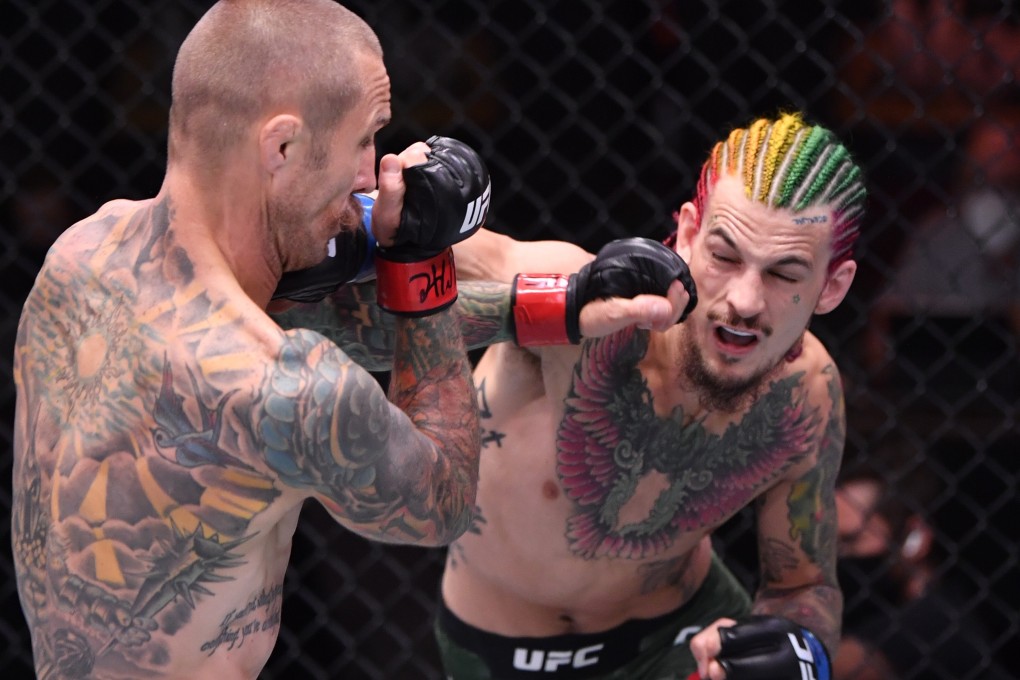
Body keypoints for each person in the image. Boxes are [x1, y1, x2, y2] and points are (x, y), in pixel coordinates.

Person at [274, 111, 864, 679]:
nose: (745, 299)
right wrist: (390, 206)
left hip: (681, 632)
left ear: (832, 286)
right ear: (687, 233)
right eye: (724, 255)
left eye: (785, 274)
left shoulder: (805, 394)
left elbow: (802, 585)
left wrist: (799, 644)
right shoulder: (585, 304)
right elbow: (368, 283)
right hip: (501, 649)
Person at [833, 437, 1011, 679]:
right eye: (830, 543)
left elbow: (832, 668)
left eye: (851, 541)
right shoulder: (867, 612)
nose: (839, 555)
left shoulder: (938, 621)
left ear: (914, 538)